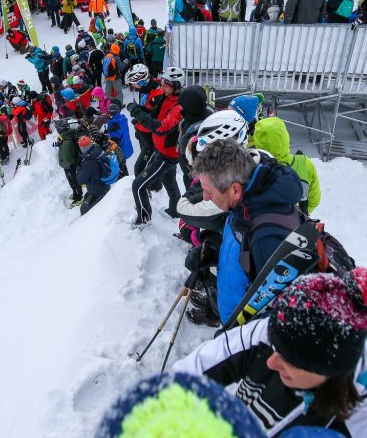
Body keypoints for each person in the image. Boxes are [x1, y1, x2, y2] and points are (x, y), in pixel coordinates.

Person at [172, 268, 367, 436]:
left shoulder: (363, 425)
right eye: (275, 346)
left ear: (330, 371)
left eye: (291, 360)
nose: (271, 362)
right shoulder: (272, 331)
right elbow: (200, 365)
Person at [191, 138, 304, 322]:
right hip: (232, 314)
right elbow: (246, 257)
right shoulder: (246, 201)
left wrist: (234, 339)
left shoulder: (267, 239)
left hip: (243, 335)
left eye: (209, 192)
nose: (205, 197)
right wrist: (213, 255)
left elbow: (278, 319)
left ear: (234, 190)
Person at [127, 69, 184, 227]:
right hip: (164, 150)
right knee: (169, 181)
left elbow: (160, 127)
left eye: (166, 85)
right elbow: (154, 114)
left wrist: (137, 112)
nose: (162, 87)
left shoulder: (178, 107)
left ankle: (144, 218)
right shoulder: (167, 97)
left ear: (176, 86)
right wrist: (140, 111)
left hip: (167, 155)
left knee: (137, 185)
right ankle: (175, 210)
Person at [253, 117, 322, 214]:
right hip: (296, 225)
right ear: (286, 137)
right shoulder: (305, 164)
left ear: (257, 141)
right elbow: (314, 199)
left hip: (262, 224)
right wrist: (299, 216)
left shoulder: (252, 167)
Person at [75, 135, 117, 215]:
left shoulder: (89, 162)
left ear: (82, 148)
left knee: (84, 212)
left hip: (97, 193)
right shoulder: (98, 151)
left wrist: (79, 168)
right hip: (104, 187)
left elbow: (80, 180)